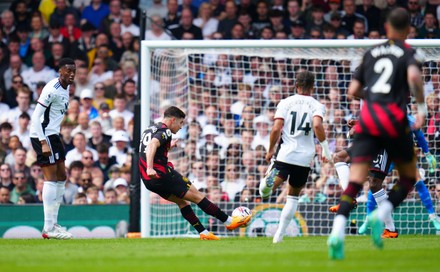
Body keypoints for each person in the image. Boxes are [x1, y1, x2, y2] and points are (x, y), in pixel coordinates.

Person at [327, 8, 427, 260]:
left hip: (369, 125)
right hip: (392, 123)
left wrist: (371, 100)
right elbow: (415, 77)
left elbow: (353, 89)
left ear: (386, 28)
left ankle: (337, 232)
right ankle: (379, 217)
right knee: (406, 179)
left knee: (357, 182)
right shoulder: (408, 52)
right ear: (407, 31)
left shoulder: (370, 53)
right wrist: (422, 109)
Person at [138, 106, 252, 240]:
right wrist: (150, 168)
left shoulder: (150, 128)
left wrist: (168, 147)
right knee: (198, 196)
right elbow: (152, 145)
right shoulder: (165, 130)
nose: (181, 127)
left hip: (148, 181)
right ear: (173, 120)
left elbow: (150, 148)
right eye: (180, 123)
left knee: (183, 203)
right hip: (161, 174)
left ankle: (203, 232)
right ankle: (228, 221)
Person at [258, 71, 331, 243]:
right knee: (293, 197)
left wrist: (270, 150)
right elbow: (317, 125)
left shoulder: (285, 102)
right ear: (313, 87)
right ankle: (279, 236)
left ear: (295, 85)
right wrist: (325, 149)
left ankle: (266, 185)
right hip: (304, 158)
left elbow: (276, 128)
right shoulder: (317, 105)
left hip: (285, 154)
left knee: (264, 191)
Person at [30, 58, 76, 240]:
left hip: (53, 135)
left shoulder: (67, 88)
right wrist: (42, 142)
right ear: (60, 71)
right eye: (68, 71)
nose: (72, 74)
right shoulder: (52, 89)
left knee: (62, 177)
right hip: (43, 135)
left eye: (74, 71)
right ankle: (48, 227)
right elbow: (36, 117)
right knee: (51, 179)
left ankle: (53, 224)